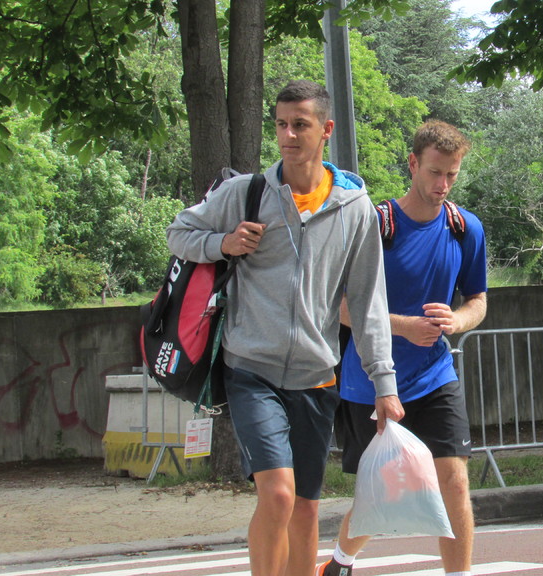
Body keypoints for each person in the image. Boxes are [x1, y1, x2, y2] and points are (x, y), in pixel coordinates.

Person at [166, 79, 404, 576]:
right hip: (251, 369)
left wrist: (385, 384)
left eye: (300, 124)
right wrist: (223, 243)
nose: (288, 135)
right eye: (281, 125)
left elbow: (368, 302)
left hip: (316, 377)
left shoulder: (355, 208)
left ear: (326, 130)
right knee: (277, 495)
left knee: (305, 510)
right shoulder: (246, 193)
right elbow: (179, 232)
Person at [317, 120, 488, 576]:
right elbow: (338, 305)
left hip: (435, 376)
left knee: (453, 481)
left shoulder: (465, 228)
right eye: (435, 172)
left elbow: (478, 300)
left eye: (452, 174)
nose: (443, 184)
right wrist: (404, 327)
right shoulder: (375, 224)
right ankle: (339, 562)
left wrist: (457, 321)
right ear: (412, 164)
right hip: (370, 381)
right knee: (385, 490)